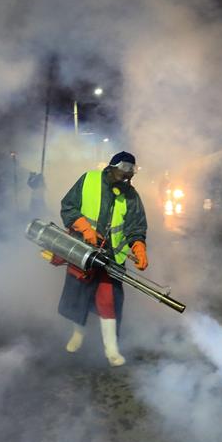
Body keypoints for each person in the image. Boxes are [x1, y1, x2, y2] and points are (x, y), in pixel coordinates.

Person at [58, 151, 148, 366]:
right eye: (123, 171)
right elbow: (68, 206)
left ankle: (112, 349)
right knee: (79, 295)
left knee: (108, 300)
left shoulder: (131, 195)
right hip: (83, 250)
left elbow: (136, 226)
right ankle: (78, 333)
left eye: (130, 173)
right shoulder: (89, 179)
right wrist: (85, 228)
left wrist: (139, 247)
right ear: (111, 168)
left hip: (112, 257)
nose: (127, 177)